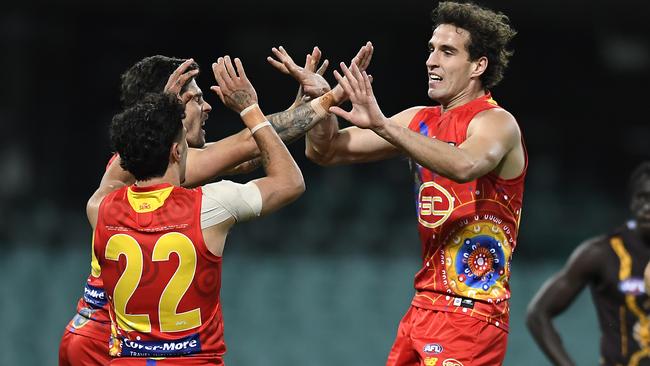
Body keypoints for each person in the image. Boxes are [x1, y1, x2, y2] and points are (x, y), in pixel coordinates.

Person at [59, 46, 373, 365]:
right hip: (108, 339)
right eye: (195, 99)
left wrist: (302, 109)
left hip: (109, 337)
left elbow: (246, 157)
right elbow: (249, 148)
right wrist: (329, 99)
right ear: (171, 112)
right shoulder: (170, 174)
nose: (207, 106)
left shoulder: (124, 179)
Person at [304, 2, 523, 364]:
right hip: (422, 307)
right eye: (431, 50)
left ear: (478, 66)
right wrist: (324, 100)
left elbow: (465, 164)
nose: (431, 61)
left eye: (447, 52)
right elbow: (325, 152)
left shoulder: (496, 123)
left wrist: (383, 125)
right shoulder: (418, 120)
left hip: (472, 312)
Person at [90, 58, 304, 365]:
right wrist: (251, 110)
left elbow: (119, 170)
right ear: (177, 151)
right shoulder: (209, 205)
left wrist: (156, 113)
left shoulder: (103, 209)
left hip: (112, 350)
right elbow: (286, 180)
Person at [527, 162, 650, 366]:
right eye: (642, 198)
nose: (647, 207)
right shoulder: (601, 253)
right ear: (631, 202)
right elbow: (538, 314)